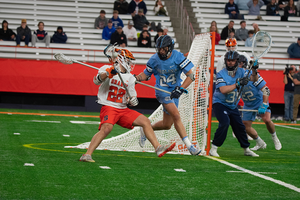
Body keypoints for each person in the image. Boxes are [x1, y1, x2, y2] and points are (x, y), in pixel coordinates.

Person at [79, 46, 176, 162]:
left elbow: (131, 95)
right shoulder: (107, 68)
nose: (130, 64)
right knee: (106, 129)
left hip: (123, 109)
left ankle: (158, 147)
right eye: (128, 60)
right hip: (109, 106)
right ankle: (87, 155)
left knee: (145, 122)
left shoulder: (130, 77)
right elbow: (96, 80)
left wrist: (132, 100)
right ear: (122, 59)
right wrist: (108, 73)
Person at [135, 35, 202, 156]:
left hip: (174, 91)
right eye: (159, 48)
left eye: (164, 49)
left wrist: (181, 89)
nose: (161, 51)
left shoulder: (178, 57)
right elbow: (146, 74)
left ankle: (146, 129)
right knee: (176, 115)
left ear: (170, 48)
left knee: (167, 125)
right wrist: (137, 78)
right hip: (162, 91)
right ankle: (190, 146)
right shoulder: (154, 59)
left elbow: (191, 76)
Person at [209, 50, 259, 157]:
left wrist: (254, 70)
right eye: (228, 60)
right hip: (220, 103)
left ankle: (246, 149)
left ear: (237, 61)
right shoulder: (221, 74)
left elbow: (254, 79)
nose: (230, 63)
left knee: (240, 127)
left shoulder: (241, 71)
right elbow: (223, 89)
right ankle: (214, 148)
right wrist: (237, 84)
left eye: (232, 60)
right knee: (225, 123)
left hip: (232, 105)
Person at [240, 61, 282, 151]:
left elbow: (266, 90)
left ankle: (275, 138)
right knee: (246, 127)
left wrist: (264, 104)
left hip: (259, 101)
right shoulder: (234, 77)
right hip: (248, 104)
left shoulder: (251, 75)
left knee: (266, 119)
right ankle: (260, 142)